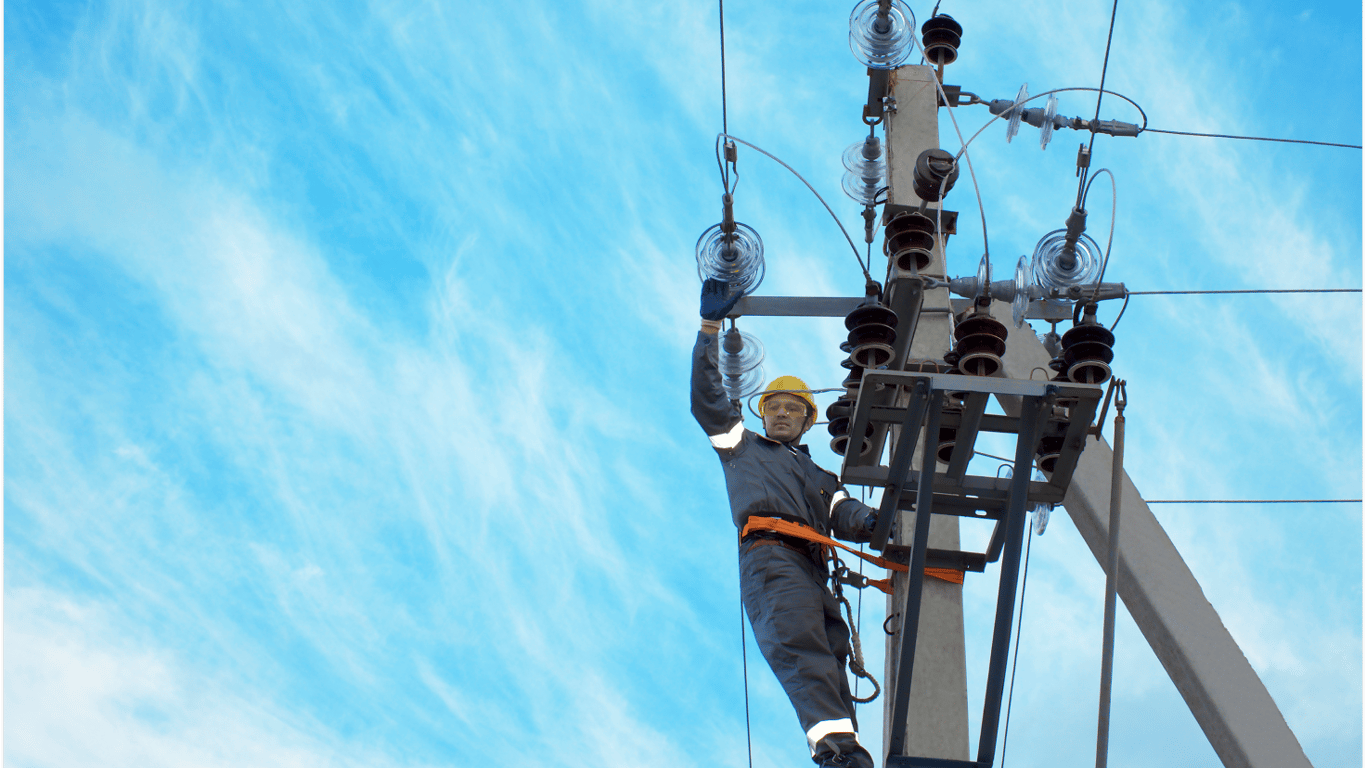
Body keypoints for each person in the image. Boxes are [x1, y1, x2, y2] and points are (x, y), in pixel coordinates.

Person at [692, 278, 880, 768]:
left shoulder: (821, 476)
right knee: (801, 649)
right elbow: (707, 401)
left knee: (832, 656)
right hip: (771, 556)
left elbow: (847, 515)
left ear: (807, 418)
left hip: (814, 569)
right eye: (771, 407)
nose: (779, 414)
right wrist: (709, 329)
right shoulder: (742, 445)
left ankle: (848, 750)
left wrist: (884, 525)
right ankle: (837, 755)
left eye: (790, 408)